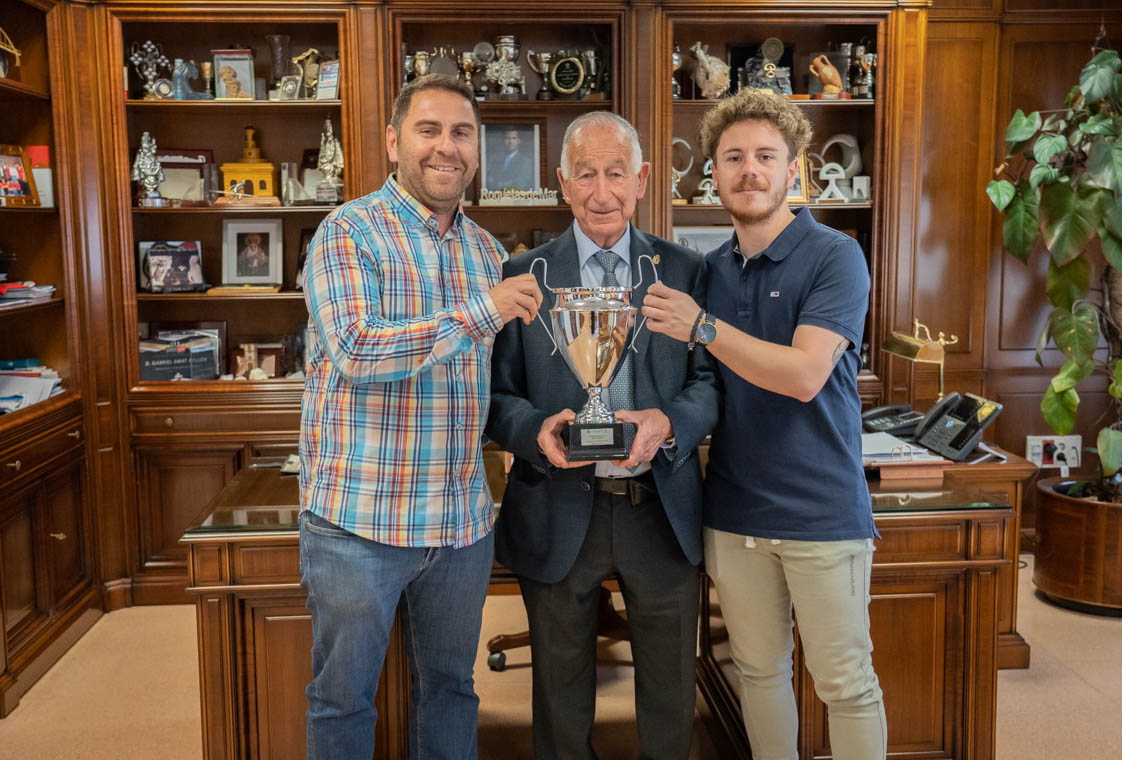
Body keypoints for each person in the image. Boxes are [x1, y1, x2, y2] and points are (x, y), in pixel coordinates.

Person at [299, 73, 543, 760]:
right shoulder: (347, 232)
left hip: (459, 524)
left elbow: (491, 385)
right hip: (359, 522)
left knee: (452, 690)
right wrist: (481, 312)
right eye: (428, 130)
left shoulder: (487, 252)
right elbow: (356, 349)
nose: (446, 147)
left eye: (462, 133)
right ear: (393, 142)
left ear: (477, 149)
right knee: (343, 699)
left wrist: (541, 426)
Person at [641, 88, 887, 760]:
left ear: (792, 170)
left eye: (765, 156)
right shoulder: (709, 271)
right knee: (758, 673)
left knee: (845, 683)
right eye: (733, 158)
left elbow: (804, 375)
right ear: (713, 174)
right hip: (733, 513)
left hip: (821, 512)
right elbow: (700, 384)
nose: (749, 170)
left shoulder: (836, 255)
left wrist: (703, 326)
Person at [487, 111, 720, 760]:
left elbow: (709, 383)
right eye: (585, 174)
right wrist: (535, 429)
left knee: (670, 696)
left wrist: (669, 421)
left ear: (641, 180)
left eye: (616, 173)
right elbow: (495, 398)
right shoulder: (523, 274)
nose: (601, 192)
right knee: (559, 702)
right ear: (563, 183)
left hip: (660, 508)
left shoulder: (685, 270)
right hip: (558, 506)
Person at [488, 125, 535, 190]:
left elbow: (520, 183)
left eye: (514, 138)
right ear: (503, 141)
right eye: (507, 138)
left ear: (518, 141)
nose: (510, 142)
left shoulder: (526, 161)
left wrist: (497, 183)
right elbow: (489, 180)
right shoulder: (495, 160)